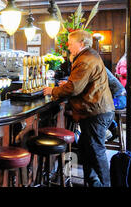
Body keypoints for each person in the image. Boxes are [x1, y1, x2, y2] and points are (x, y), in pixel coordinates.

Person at [43, 30, 115, 187]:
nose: (68, 46)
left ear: (81, 43)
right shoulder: (89, 56)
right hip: (96, 109)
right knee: (87, 149)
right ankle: (94, 183)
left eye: (70, 43)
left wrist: (52, 91)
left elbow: (74, 88)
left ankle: (105, 184)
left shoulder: (84, 60)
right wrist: (67, 85)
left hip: (95, 111)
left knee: (96, 151)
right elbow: (80, 84)